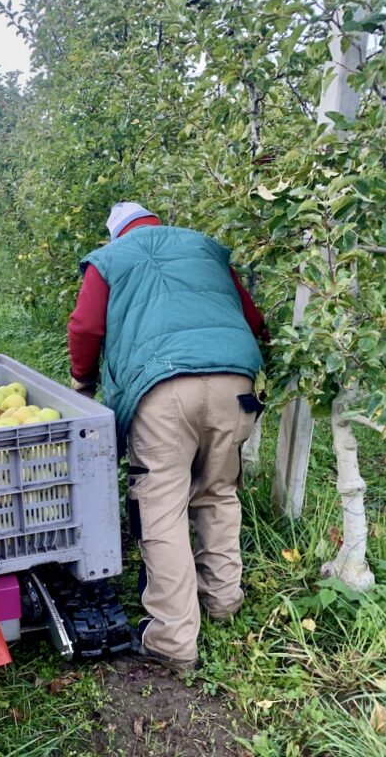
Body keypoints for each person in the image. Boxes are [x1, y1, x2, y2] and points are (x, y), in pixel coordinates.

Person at [67, 202, 267, 676]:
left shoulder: (110, 259)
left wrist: (83, 382)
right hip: (236, 384)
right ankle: (222, 599)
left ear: (116, 233)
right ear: (155, 221)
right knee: (218, 491)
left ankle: (173, 638)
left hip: (161, 390)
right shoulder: (205, 247)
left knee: (160, 504)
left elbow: (86, 327)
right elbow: (253, 318)